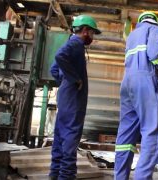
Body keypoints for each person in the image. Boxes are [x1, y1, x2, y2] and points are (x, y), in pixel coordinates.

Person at [114, 11, 158, 180]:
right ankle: (142, 177)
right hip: (145, 81)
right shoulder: (153, 29)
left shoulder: (132, 35)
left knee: (126, 135)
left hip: (127, 83)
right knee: (153, 131)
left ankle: (120, 177)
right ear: (155, 21)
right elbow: (155, 54)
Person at [49, 14, 101, 180]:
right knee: (71, 134)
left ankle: (54, 173)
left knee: (60, 134)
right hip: (73, 98)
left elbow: (54, 69)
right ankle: (66, 176)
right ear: (85, 31)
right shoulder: (76, 43)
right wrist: (74, 80)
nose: (92, 37)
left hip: (65, 96)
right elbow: (60, 57)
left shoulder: (70, 43)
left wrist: (65, 81)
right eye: (92, 33)